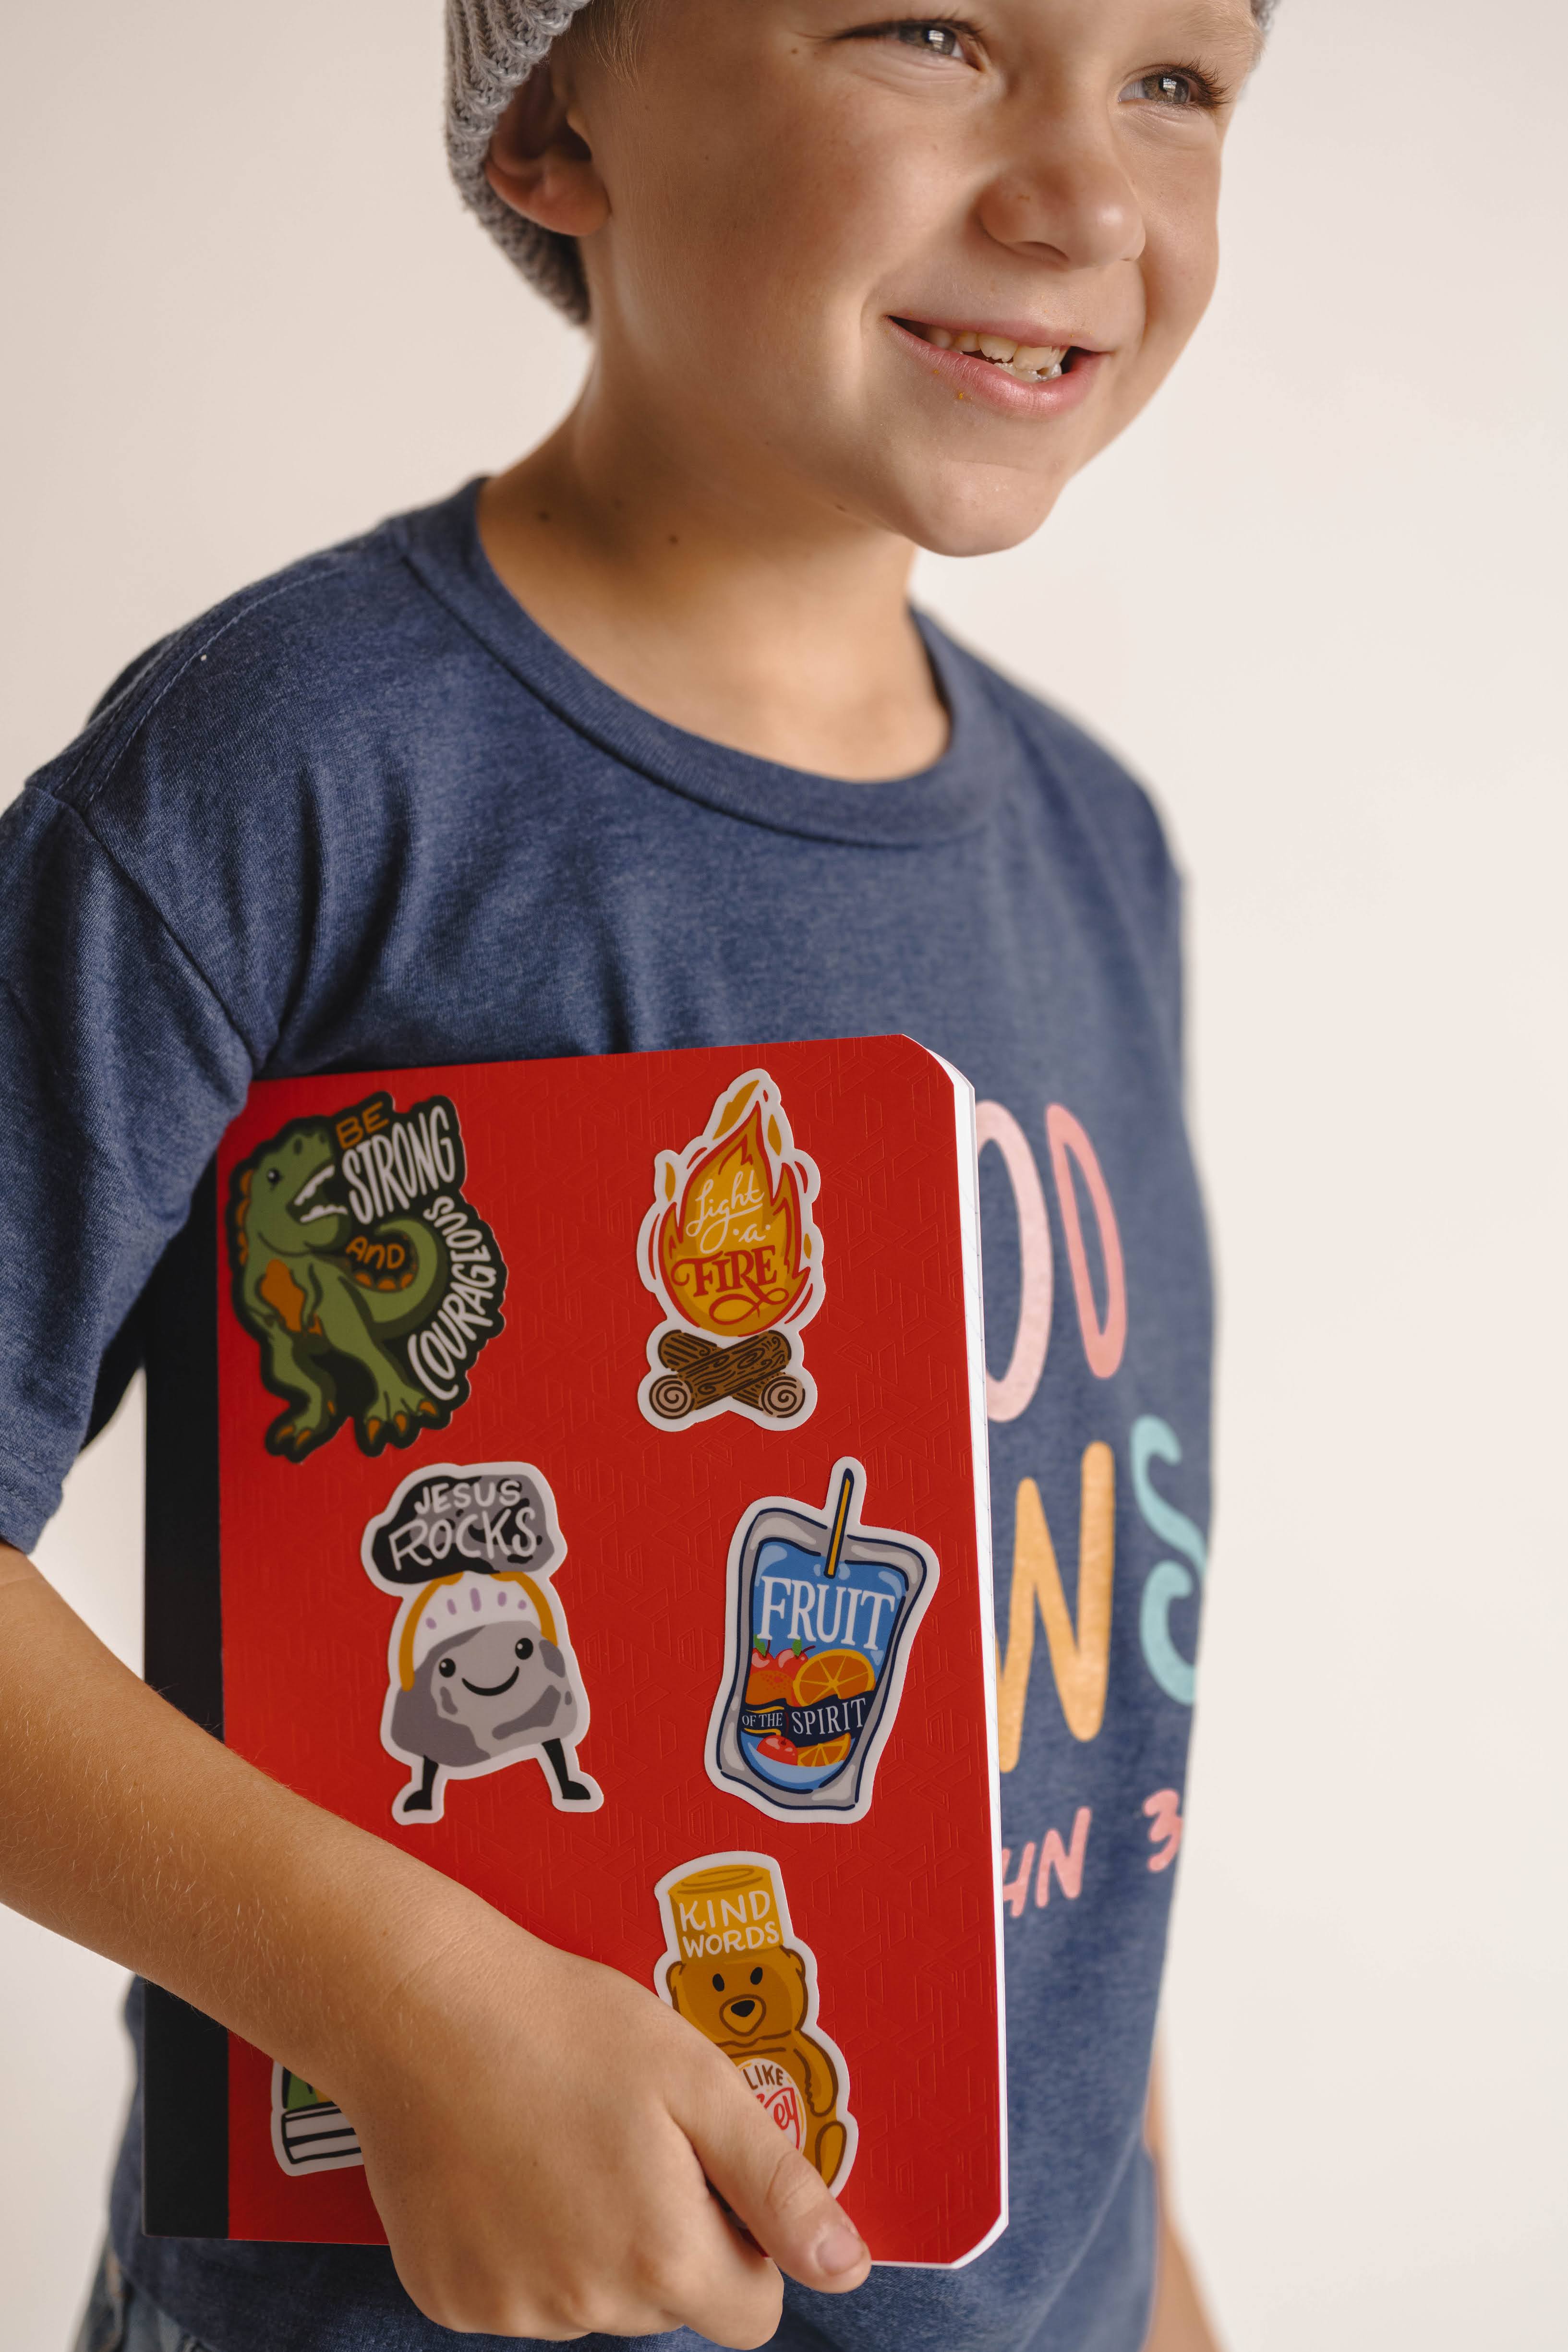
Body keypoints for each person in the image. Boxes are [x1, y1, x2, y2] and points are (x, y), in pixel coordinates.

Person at [0, 0, 1272, 2345]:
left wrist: (1162, 2271)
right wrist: (397, 1991)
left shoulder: (1101, 853)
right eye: (930, 30)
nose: (1088, 196)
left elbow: (1049, 1739)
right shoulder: (282, 780)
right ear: (558, 122)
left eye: (1177, 80)